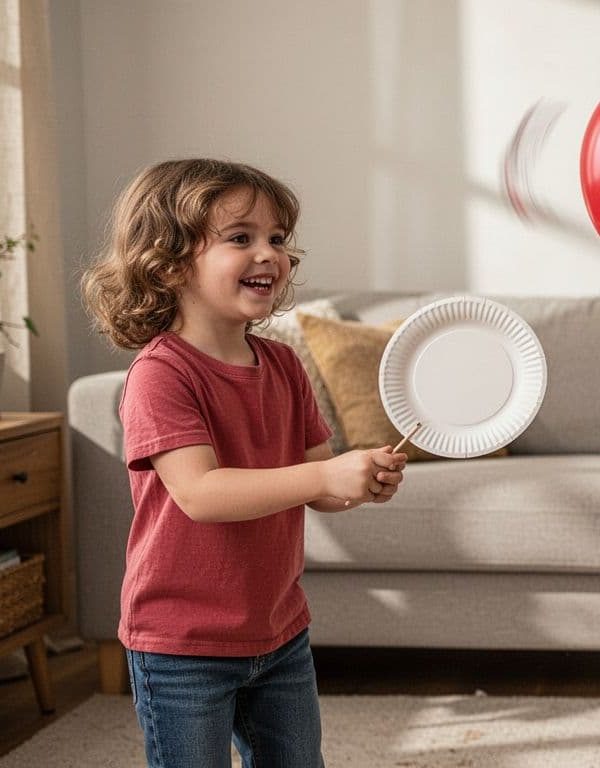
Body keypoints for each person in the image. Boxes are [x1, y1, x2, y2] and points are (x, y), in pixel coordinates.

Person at [81, 158, 407, 768]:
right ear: (169, 261)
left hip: (279, 631)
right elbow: (201, 493)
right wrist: (324, 476)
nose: (270, 253)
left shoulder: (283, 365)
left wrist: (357, 484)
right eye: (241, 238)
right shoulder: (161, 374)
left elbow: (318, 486)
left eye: (277, 239)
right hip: (182, 644)